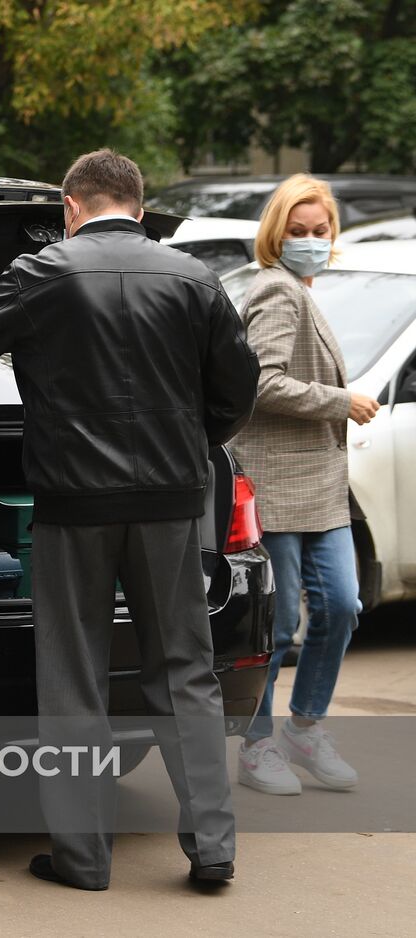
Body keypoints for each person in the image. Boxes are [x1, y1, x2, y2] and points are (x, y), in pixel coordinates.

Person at [0, 149, 259, 890]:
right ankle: (214, 851)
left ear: (71, 205)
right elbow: (238, 387)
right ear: (137, 202)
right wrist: (194, 443)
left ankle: (83, 858)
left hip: (72, 505)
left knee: (73, 680)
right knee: (185, 674)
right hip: (171, 504)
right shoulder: (195, 278)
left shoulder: (43, 272)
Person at [229, 175, 372, 796]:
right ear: (276, 233)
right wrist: (340, 401)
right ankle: (259, 744)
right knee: (279, 623)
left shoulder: (303, 291)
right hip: (278, 483)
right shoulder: (278, 292)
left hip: (321, 488)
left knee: (342, 605)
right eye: (300, 231)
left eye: (321, 231)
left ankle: (305, 729)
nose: (313, 241)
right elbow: (261, 383)